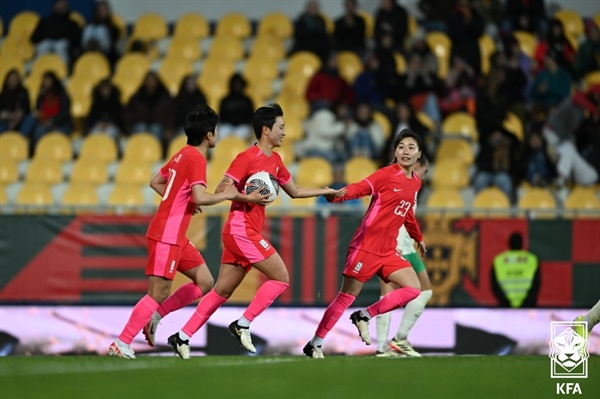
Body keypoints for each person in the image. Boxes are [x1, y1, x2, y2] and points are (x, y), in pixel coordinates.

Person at [167, 103, 343, 359]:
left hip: (242, 231)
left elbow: (294, 192)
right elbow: (220, 189)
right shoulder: (246, 158)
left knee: (222, 291)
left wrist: (324, 191)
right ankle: (243, 324)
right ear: (265, 130)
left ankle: (182, 336)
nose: (284, 132)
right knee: (281, 277)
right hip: (241, 229)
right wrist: (248, 198)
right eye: (281, 127)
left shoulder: (276, 161)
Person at [108, 105, 244, 359]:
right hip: (166, 235)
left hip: (175, 235)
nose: (217, 134)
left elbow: (155, 181)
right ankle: (122, 341)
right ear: (209, 135)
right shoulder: (196, 158)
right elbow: (200, 197)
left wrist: (183, 204)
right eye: (216, 130)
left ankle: (156, 316)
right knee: (157, 292)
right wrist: (229, 194)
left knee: (205, 282)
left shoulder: (182, 154)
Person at [303, 129, 426, 359]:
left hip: (388, 251)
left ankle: (365, 316)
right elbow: (360, 187)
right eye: (401, 147)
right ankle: (315, 344)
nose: (405, 151)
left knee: (413, 289)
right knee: (346, 296)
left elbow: (407, 213)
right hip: (366, 247)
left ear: (419, 154)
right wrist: (338, 195)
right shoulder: (385, 175)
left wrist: (417, 237)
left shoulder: (416, 182)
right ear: (395, 151)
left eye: (411, 147)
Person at [375, 155, 431, 357]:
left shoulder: (410, 184)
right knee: (389, 293)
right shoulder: (398, 183)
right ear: (418, 166)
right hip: (394, 244)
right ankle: (385, 346)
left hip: (406, 246)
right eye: (425, 171)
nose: (424, 176)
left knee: (424, 290)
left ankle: (396, 340)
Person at [490, 232, 540, 308]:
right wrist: (526, 304)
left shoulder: (498, 261)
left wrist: (505, 303)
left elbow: (494, 286)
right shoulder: (532, 260)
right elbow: (536, 285)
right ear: (522, 244)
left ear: (509, 243)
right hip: (527, 309)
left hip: (505, 309)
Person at [31, 0, 81, 64]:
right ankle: (38, 68)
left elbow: (77, 43)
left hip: (63, 46)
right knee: (44, 45)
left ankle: (64, 70)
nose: (61, 6)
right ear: (54, 6)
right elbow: (34, 38)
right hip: (46, 45)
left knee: (60, 46)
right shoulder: (45, 21)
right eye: (59, 4)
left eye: (63, 4)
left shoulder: (72, 24)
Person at [32, 71, 72, 149]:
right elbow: (37, 108)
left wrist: (52, 120)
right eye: (44, 81)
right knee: (39, 132)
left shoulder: (62, 95)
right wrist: (40, 96)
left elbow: (65, 113)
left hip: (61, 124)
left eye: (48, 80)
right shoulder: (43, 95)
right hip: (45, 123)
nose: (45, 83)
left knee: (56, 134)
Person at [81, 0, 120, 65]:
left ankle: (96, 46)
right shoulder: (91, 23)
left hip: (105, 51)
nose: (102, 12)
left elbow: (114, 38)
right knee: (89, 28)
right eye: (100, 10)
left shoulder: (112, 26)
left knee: (101, 30)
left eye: (104, 9)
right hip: (87, 50)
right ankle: (91, 46)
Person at [0, 70, 36, 137]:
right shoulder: (2, 95)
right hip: (6, 120)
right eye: (11, 80)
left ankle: (20, 140)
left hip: (21, 119)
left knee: (31, 118)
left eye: (15, 80)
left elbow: (26, 108)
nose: (13, 82)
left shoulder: (23, 92)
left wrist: (16, 120)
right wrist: (9, 116)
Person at [218, 73, 254, 140]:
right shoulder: (225, 100)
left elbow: (251, 117)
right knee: (222, 131)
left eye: (239, 84)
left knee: (242, 133)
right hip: (227, 127)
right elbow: (221, 117)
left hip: (243, 127)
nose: (237, 86)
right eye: (235, 84)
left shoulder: (247, 100)